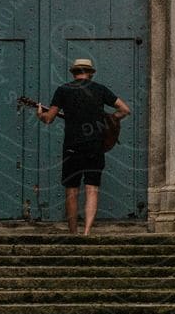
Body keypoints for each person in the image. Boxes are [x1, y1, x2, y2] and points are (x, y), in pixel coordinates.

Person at [36, 58, 129, 236]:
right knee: (92, 189)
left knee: (71, 191)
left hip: (72, 146)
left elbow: (49, 119)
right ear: (91, 73)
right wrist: (109, 120)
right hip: (95, 146)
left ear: (73, 73)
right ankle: (86, 233)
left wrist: (40, 114)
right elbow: (125, 109)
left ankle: (73, 234)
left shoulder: (63, 90)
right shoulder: (100, 89)